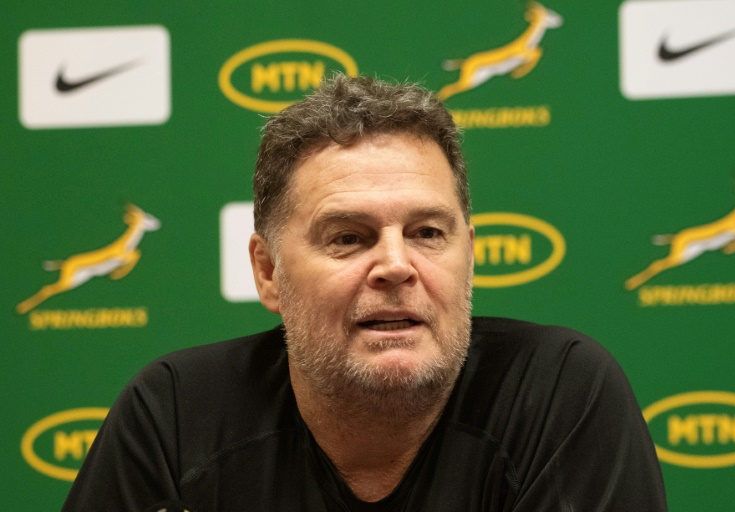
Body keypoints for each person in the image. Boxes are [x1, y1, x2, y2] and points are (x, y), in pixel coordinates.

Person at [63, 75, 667, 511]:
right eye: (348, 238)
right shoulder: (174, 417)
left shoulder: (559, 393)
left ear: (470, 257)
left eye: (427, 233)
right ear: (268, 272)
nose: (396, 266)